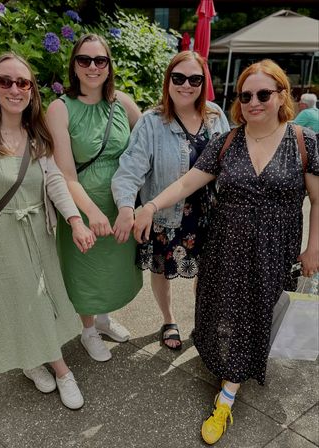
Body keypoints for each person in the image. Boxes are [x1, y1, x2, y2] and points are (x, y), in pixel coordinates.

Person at [133, 59, 319, 444]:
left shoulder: (303, 141)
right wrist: (150, 206)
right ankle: (226, 368)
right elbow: (186, 182)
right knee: (221, 310)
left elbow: (318, 200)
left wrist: (313, 248)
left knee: (257, 312)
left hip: (275, 249)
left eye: (264, 94)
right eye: (246, 95)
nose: (254, 102)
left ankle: (227, 395)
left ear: (282, 95)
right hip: (225, 247)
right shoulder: (227, 142)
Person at [0, 53, 97, 409]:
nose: (14, 89)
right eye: (5, 81)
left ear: (32, 91)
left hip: (40, 230)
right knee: (23, 300)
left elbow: (54, 182)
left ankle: (31, 360)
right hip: (3, 235)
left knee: (44, 296)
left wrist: (75, 219)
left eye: (23, 83)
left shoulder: (36, 134)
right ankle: (62, 370)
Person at [111, 51, 230, 350]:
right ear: (168, 81)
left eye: (194, 79)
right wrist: (127, 206)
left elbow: (231, 160)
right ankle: (169, 319)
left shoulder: (215, 116)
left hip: (210, 212)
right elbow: (130, 169)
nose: (186, 85)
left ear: (204, 83)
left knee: (208, 273)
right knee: (163, 269)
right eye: (179, 78)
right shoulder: (152, 121)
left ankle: (203, 320)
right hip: (167, 212)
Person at [46, 34, 143, 363]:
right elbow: (65, 174)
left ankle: (102, 320)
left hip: (121, 207)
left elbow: (149, 144)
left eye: (99, 60)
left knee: (113, 269)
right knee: (84, 270)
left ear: (109, 66)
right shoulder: (60, 108)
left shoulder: (123, 103)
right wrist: (90, 212)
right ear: (74, 65)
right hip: (82, 204)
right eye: (84, 60)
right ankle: (87, 330)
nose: (92, 67)